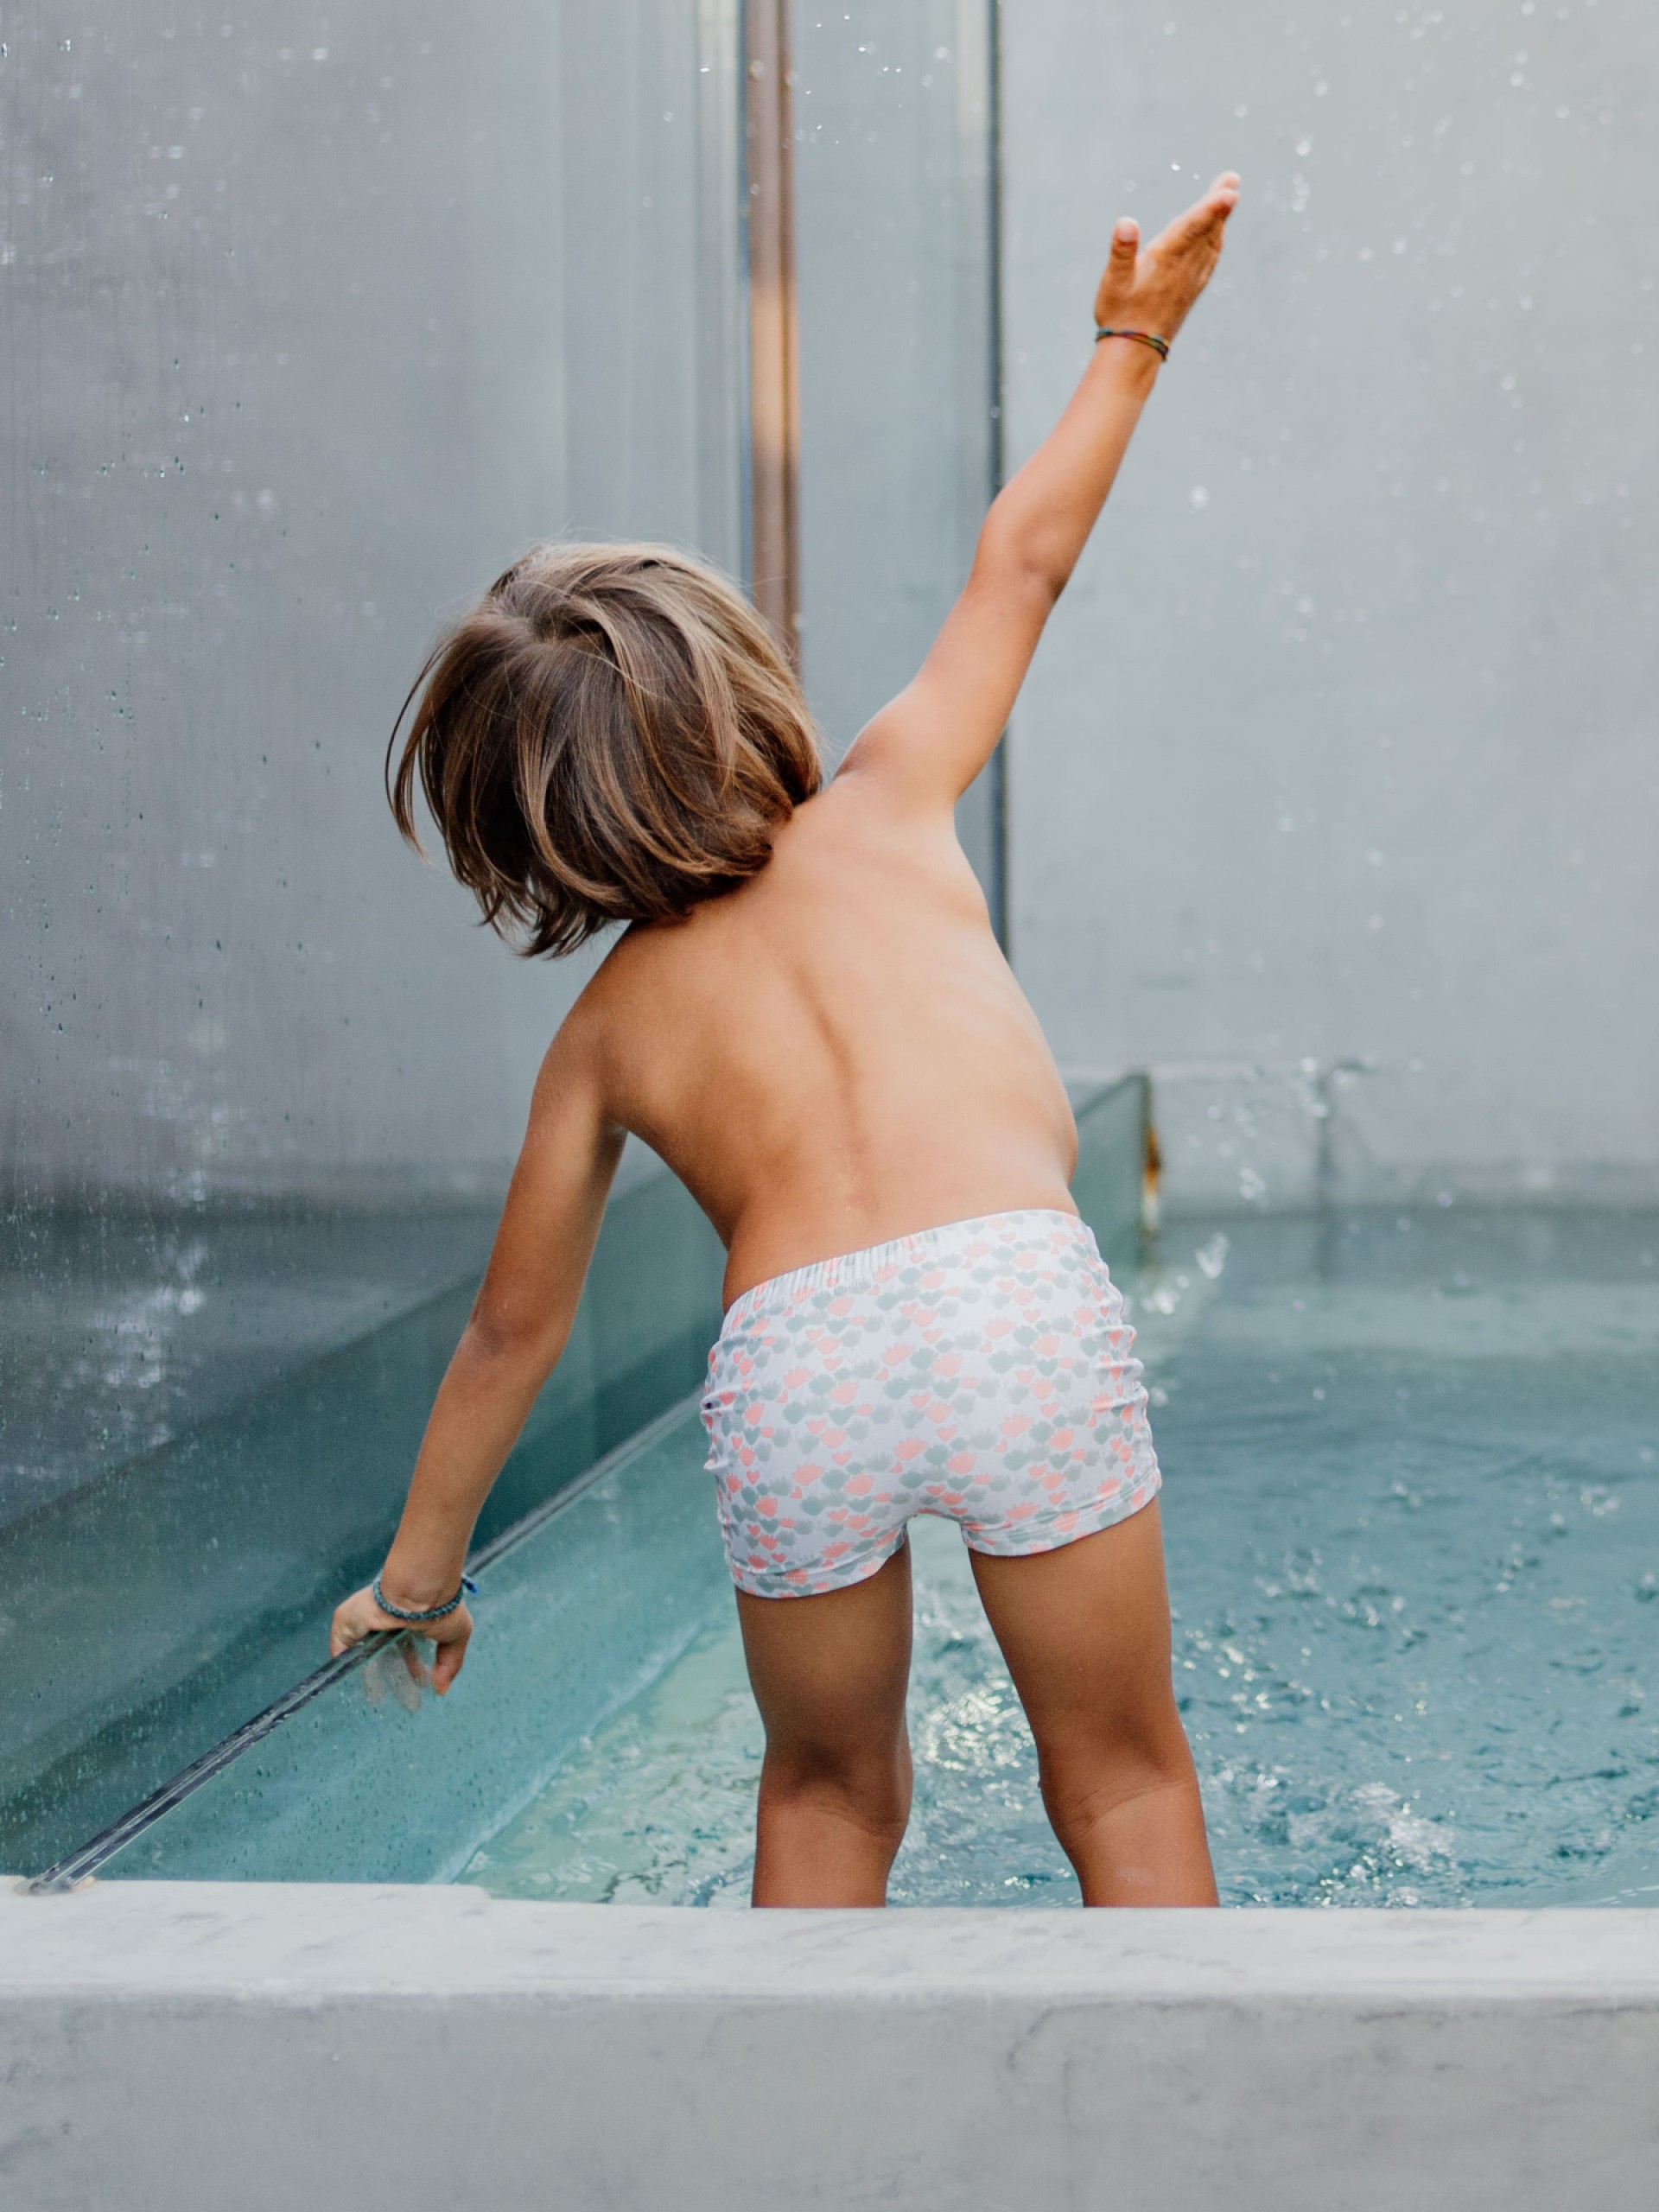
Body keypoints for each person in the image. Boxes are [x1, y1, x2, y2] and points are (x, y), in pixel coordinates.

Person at [331, 175, 1240, 1908]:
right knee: (1124, 1777)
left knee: (827, 1795)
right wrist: (1137, 335)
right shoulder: (889, 799)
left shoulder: (604, 1036)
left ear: (522, 830)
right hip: (1014, 1299)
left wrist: (421, 1574)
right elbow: (1025, 560)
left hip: (797, 1364)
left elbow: (512, 1331)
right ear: (738, 684)